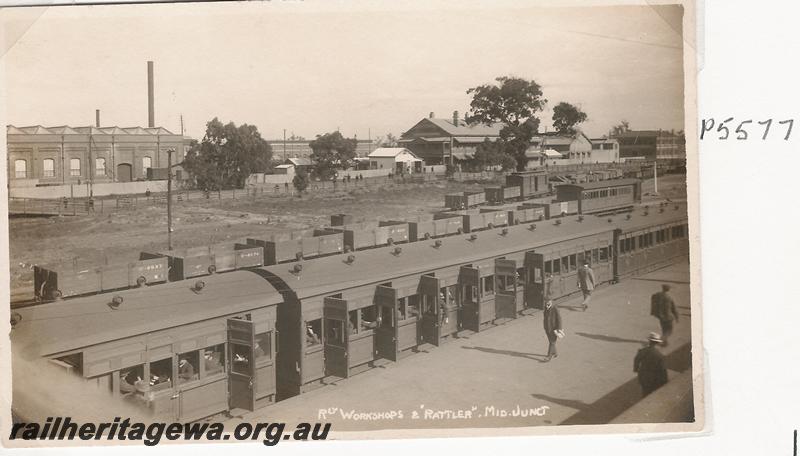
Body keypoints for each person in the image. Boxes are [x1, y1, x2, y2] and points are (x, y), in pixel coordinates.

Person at [633, 332, 668, 396]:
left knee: (645, 391)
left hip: (643, 375)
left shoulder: (643, 351)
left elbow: (636, 359)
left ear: (649, 341)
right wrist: (665, 381)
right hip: (654, 377)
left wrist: (636, 369)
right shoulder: (660, 355)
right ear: (658, 343)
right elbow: (663, 369)